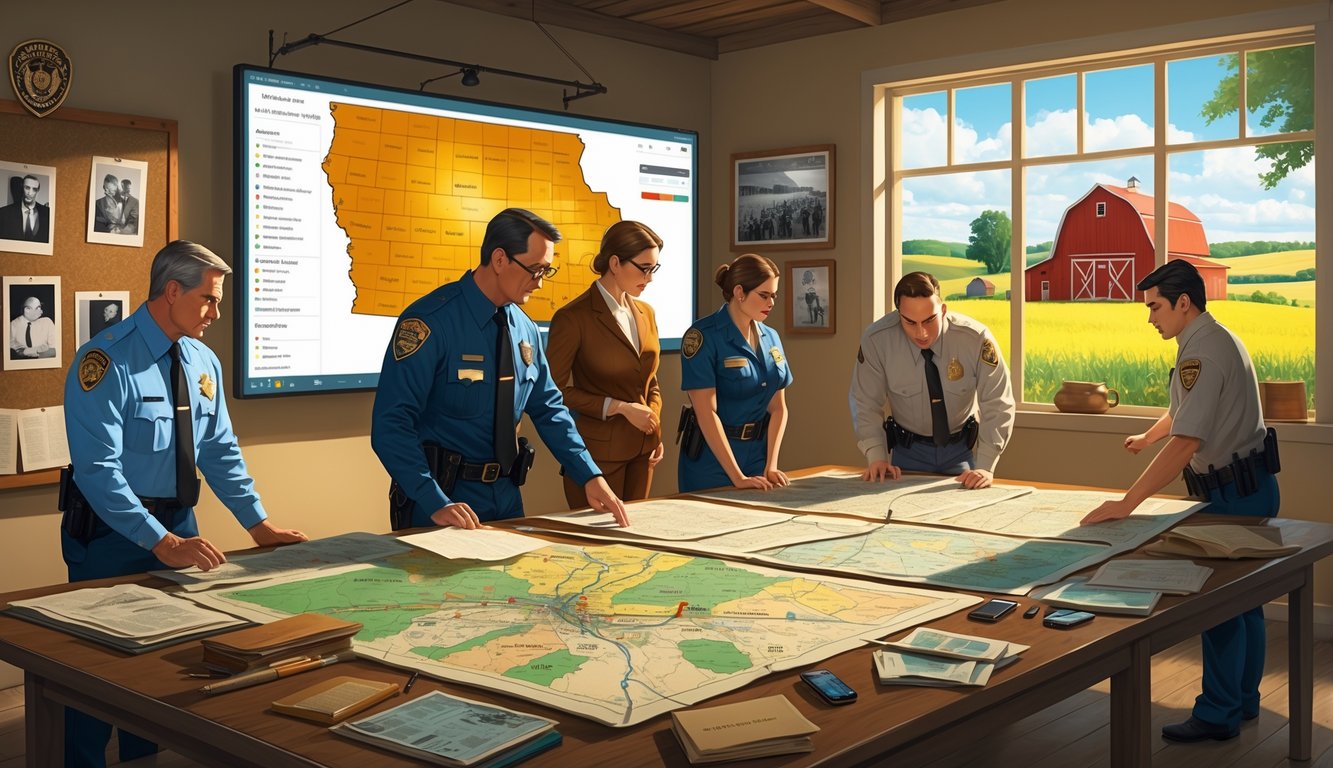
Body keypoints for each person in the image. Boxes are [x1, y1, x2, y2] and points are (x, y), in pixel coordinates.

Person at [61, 240, 308, 767]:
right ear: (172, 292)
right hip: (111, 536)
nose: (216, 313)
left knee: (158, 671)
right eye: (208, 299)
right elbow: (98, 472)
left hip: (179, 525)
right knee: (94, 675)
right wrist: (161, 541)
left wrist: (258, 526)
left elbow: (219, 451)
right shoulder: (105, 360)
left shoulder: (202, 360)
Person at [1081, 259, 1280, 743]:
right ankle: (1244, 700)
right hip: (1249, 485)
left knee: (1220, 609)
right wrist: (1149, 437)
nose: (1150, 318)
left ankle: (1217, 714)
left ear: (1183, 303)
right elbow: (1184, 410)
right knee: (1247, 603)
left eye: (1155, 307)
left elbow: (1189, 440)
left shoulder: (1201, 355)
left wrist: (1126, 503)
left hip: (1230, 495)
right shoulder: (1213, 339)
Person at [372, 207, 629, 530]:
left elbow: (550, 410)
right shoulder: (430, 323)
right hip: (444, 502)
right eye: (535, 270)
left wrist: (589, 475)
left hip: (507, 499)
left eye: (546, 271)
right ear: (499, 260)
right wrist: (433, 499)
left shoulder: (525, 329)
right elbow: (391, 425)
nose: (539, 283)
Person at [849, 271, 1014, 489]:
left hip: (960, 452)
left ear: (943, 310)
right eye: (910, 322)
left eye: (929, 320)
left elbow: (998, 402)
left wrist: (985, 465)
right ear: (899, 315)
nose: (922, 332)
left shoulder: (976, 339)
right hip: (906, 453)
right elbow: (865, 401)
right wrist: (876, 456)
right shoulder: (877, 341)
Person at [546, 220, 665, 508]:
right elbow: (554, 391)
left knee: (634, 546)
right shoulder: (573, 318)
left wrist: (653, 423)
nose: (649, 278)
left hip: (643, 451)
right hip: (596, 458)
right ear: (614, 262)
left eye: (654, 269)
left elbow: (651, 380)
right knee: (594, 547)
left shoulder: (646, 312)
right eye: (644, 268)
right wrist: (620, 408)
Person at [678, 253, 792, 493]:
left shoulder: (771, 337)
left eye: (774, 295)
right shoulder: (702, 336)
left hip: (757, 457)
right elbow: (706, 413)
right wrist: (737, 477)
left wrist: (771, 465)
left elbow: (778, 407)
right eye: (764, 295)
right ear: (739, 292)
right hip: (712, 461)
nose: (771, 303)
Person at [0, 174, 50, 241]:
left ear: (37, 191)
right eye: (27, 188)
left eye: (34, 189)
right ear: (22, 188)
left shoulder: (47, 213)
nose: (30, 193)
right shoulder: (4, 212)